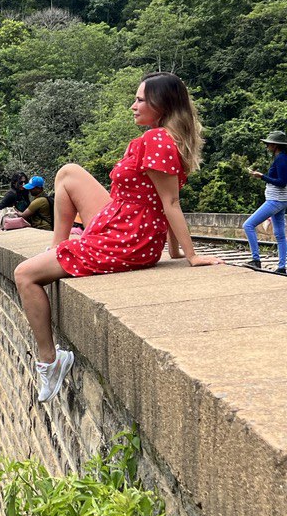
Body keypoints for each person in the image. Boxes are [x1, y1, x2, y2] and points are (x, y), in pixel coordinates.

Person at [14, 73, 221, 404]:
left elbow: (170, 202)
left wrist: (190, 254)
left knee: (25, 274)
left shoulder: (156, 141)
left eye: (140, 100)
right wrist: (173, 249)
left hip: (127, 237)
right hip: (123, 220)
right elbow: (160, 199)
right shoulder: (157, 139)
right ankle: (57, 247)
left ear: (162, 105)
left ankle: (50, 361)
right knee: (67, 173)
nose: (133, 105)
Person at [244, 129, 287, 274]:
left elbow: (282, 182)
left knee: (248, 225)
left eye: (269, 143)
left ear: (275, 145)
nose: (267, 146)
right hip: (281, 200)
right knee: (280, 235)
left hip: (275, 200)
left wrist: (261, 176)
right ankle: (282, 267)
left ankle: (256, 260)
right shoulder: (281, 158)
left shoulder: (281, 159)